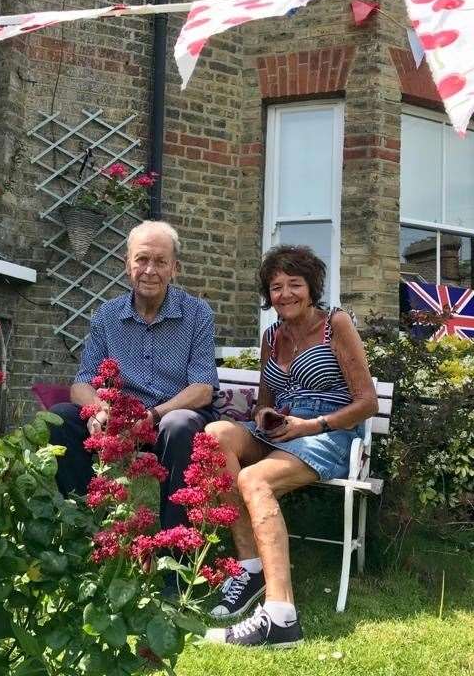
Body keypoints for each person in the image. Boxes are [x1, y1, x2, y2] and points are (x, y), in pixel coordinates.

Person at [204, 245, 378, 648]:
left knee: (255, 480)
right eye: (276, 286)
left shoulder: (336, 325)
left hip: (331, 432)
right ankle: (249, 568)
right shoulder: (271, 337)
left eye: (293, 284)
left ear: (311, 286)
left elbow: (367, 402)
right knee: (215, 436)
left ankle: (280, 616)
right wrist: (266, 414)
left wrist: (311, 424)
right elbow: (266, 400)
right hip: (284, 430)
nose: (285, 294)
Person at [48, 220, 220, 532]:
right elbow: (82, 382)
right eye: (142, 259)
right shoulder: (106, 315)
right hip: (118, 420)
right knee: (61, 418)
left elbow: (202, 389)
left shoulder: (198, 314)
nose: (150, 270)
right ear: (127, 265)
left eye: (160, 261)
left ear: (175, 269)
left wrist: (152, 415)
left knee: (178, 425)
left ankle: (175, 544)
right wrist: (98, 411)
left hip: (170, 419)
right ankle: (82, 528)